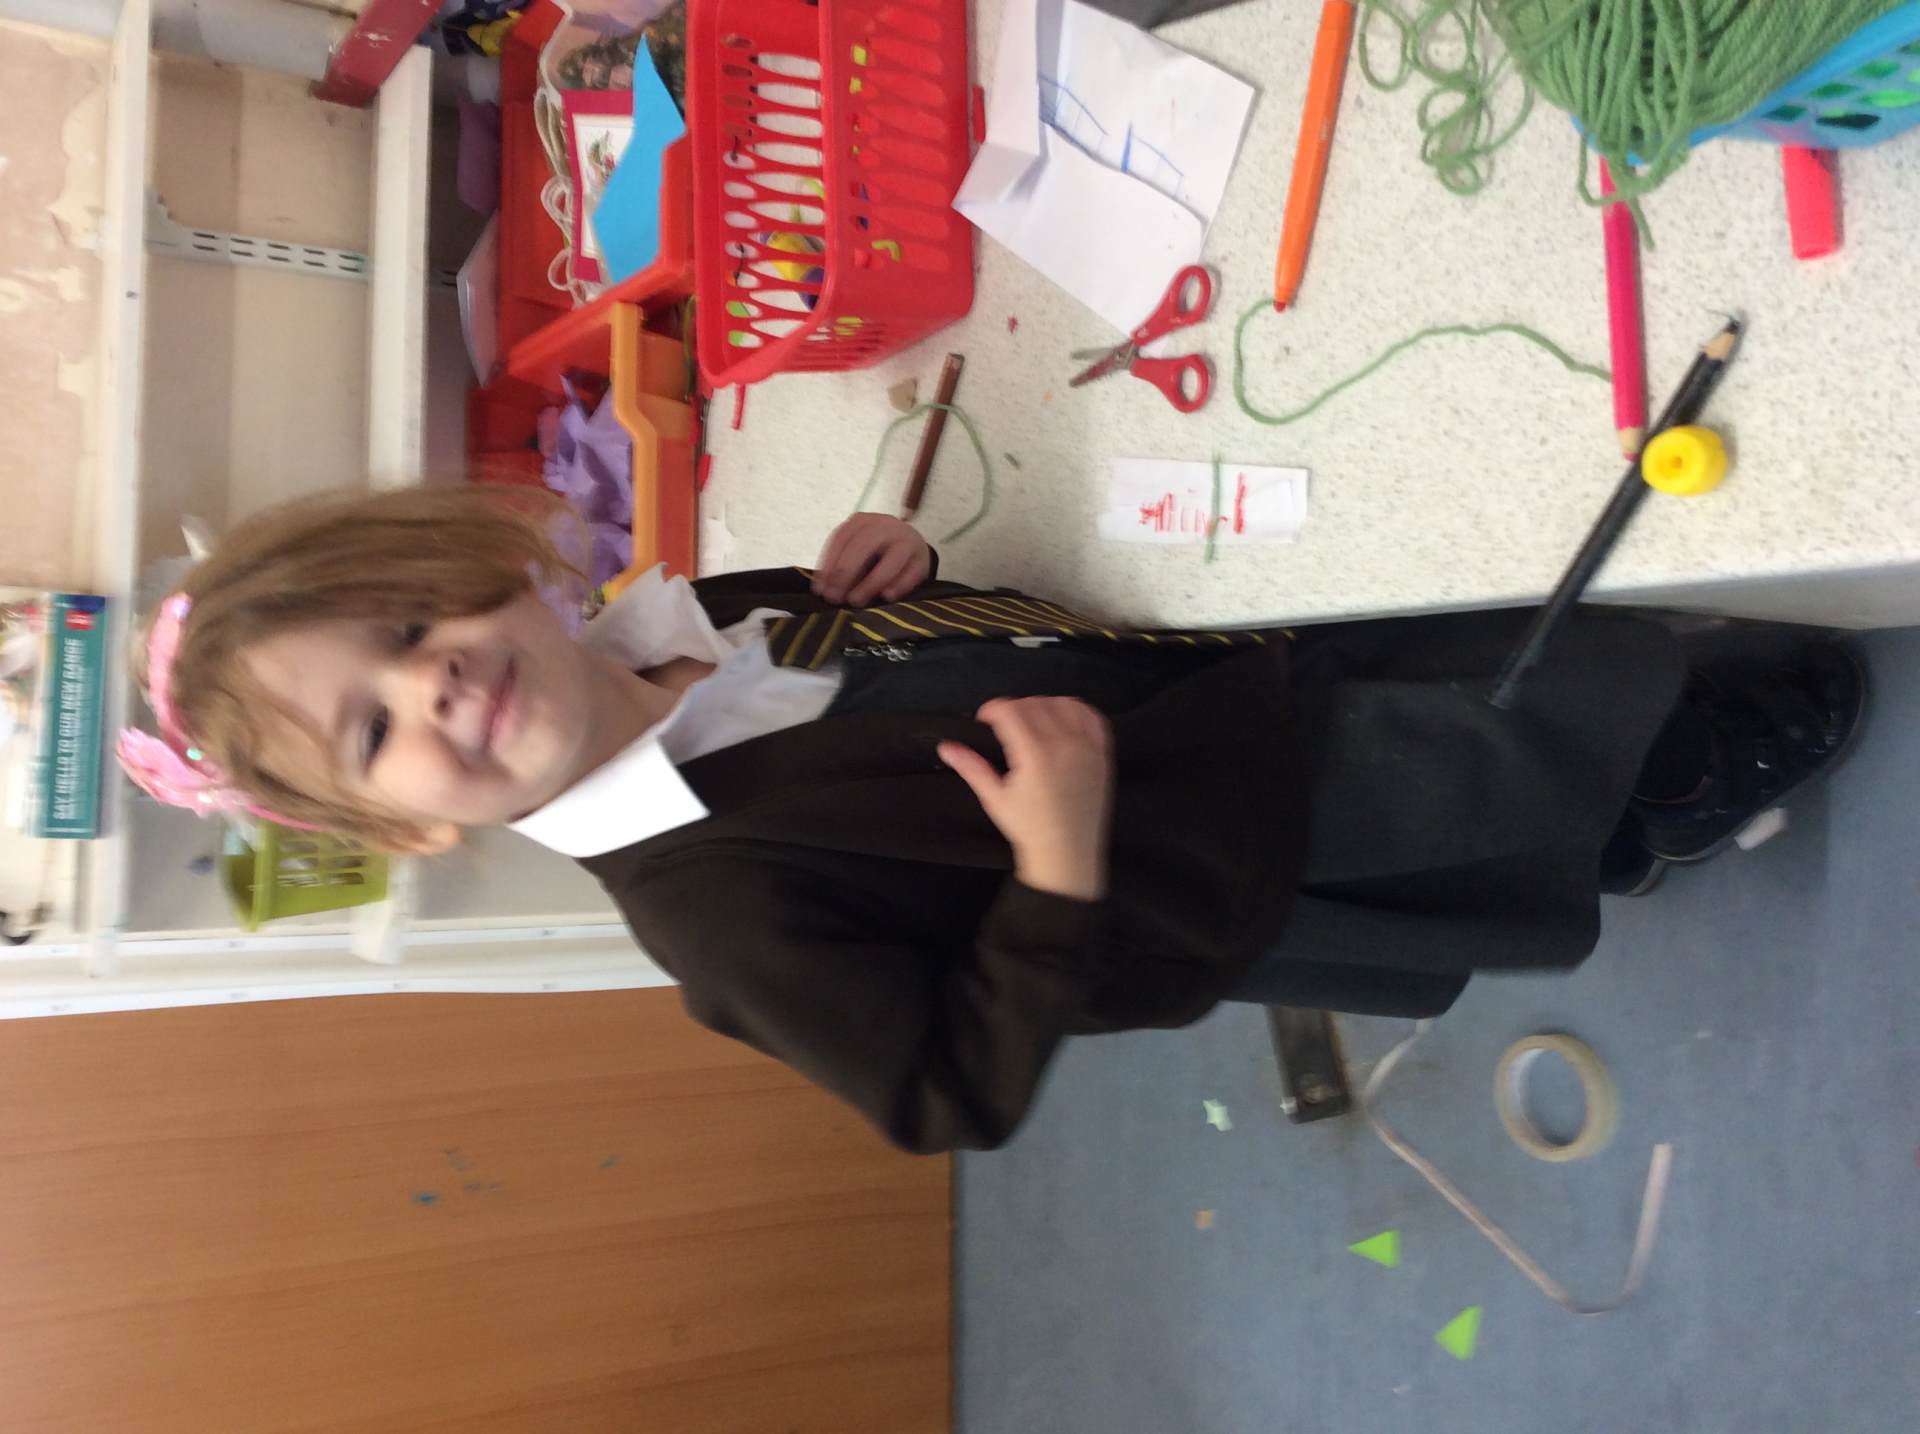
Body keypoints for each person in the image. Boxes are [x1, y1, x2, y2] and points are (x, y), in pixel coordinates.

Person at [118, 488, 1863, 1153]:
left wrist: (876, 578)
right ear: (405, 829)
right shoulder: (712, 916)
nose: (435, 680)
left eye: (412, 620)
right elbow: (945, 1088)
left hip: (1192, 711)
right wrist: (1055, 866)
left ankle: (1614, 761)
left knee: (1448, 698)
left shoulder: (667, 627)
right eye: (376, 725)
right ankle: (1655, 807)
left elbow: (846, 655)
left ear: (484, 565)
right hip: (1190, 856)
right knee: (1456, 792)